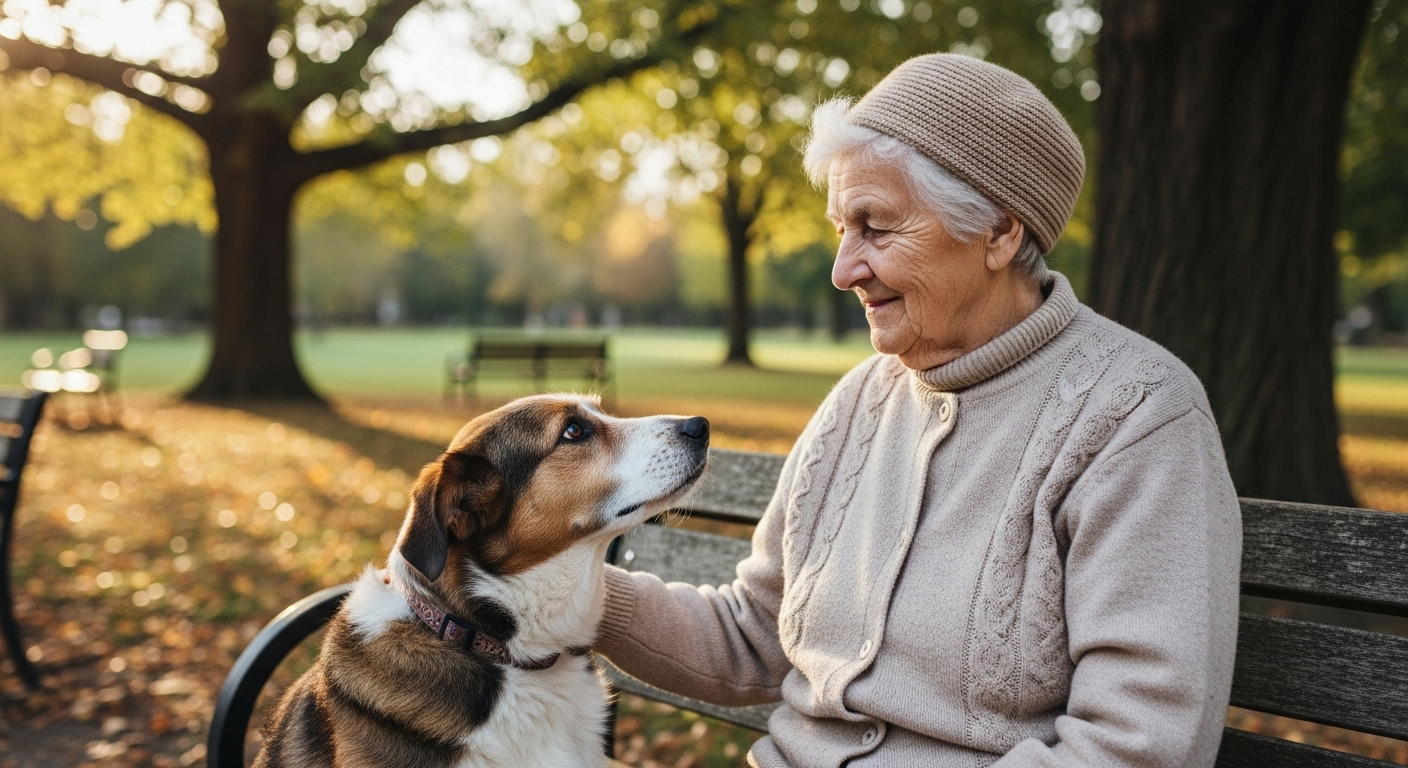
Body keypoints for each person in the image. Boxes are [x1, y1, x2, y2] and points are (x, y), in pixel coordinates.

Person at [594, 53, 1242, 768]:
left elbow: (1136, 744)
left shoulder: (1137, 415)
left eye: (876, 228)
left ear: (1000, 231)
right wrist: (562, 594)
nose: (844, 270)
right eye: (842, 228)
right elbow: (755, 637)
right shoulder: (859, 401)